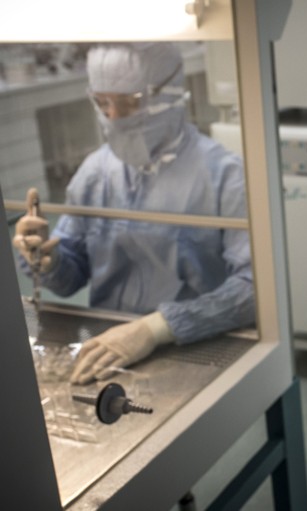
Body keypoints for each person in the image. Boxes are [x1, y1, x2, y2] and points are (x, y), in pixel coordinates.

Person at [13, 42, 255, 385]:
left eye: (127, 103)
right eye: (102, 103)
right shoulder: (96, 172)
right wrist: (47, 258)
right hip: (105, 345)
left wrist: (154, 329)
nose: (112, 118)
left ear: (168, 95)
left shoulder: (225, 175)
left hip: (194, 344)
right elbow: (70, 278)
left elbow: (253, 290)